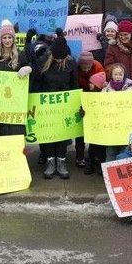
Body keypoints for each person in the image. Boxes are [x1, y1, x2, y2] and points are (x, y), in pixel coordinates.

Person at [25, 28, 78, 179]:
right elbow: (37, 84)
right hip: (45, 105)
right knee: (48, 133)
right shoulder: (43, 62)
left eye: (62, 58)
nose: (60, 61)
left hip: (64, 104)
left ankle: (61, 161)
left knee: (61, 134)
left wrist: (75, 102)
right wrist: (34, 103)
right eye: (57, 58)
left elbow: (74, 84)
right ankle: (50, 161)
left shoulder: (70, 63)